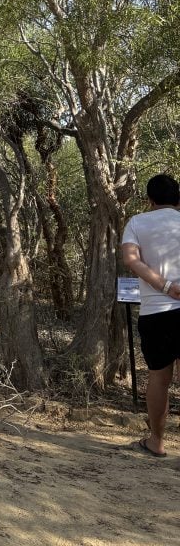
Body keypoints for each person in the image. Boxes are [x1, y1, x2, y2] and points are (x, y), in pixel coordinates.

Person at [121, 172, 180, 458]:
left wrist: (166, 287)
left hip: (156, 311)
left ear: (150, 199)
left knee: (159, 378)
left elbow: (131, 259)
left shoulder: (137, 222)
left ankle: (156, 441)